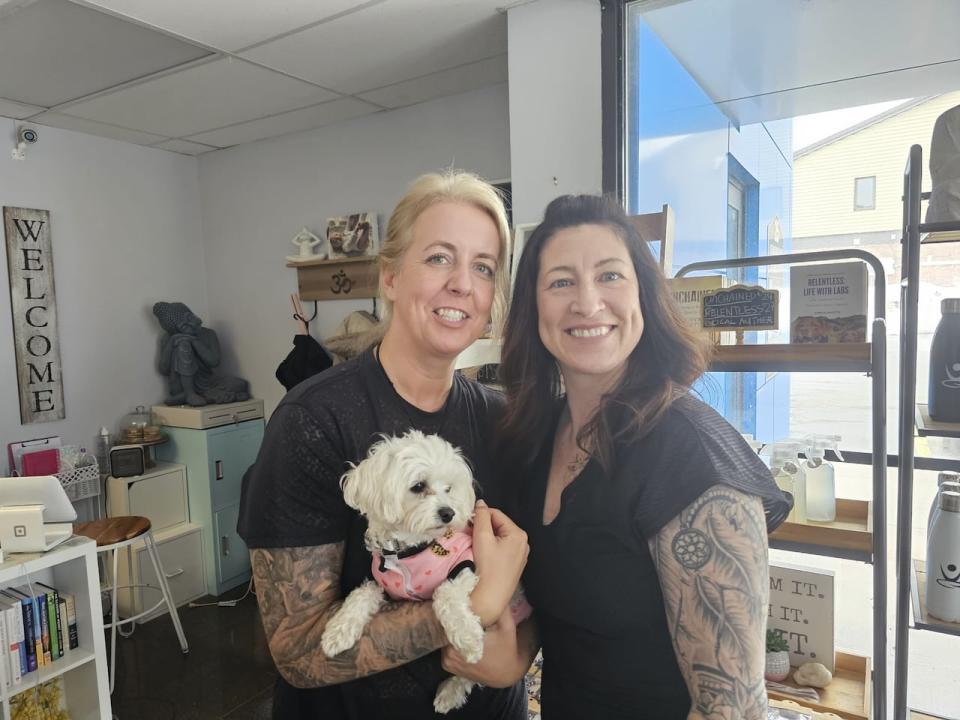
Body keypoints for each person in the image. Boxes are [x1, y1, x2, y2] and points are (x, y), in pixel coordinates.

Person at [444, 194, 792, 719]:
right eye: (561, 281)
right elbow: (570, 595)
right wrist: (514, 656)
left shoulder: (690, 455)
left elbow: (732, 710)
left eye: (610, 276)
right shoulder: (536, 437)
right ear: (532, 308)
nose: (586, 303)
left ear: (645, 297)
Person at [237, 171, 530, 720]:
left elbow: (537, 583)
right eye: (440, 258)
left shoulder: (502, 419)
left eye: (483, 267)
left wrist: (517, 659)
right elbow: (299, 652)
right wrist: (473, 606)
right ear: (390, 276)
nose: (462, 283)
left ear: (494, 297)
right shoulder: (313, 420)